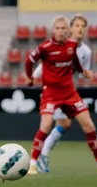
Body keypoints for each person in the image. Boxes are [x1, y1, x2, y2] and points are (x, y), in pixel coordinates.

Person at [19, 16, 97, 176]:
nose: (60, 31)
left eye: (62, 28)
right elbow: (30, 60)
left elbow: (76, 62)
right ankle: (33, 163)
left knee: (89, 126)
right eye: (57, 28)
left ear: (67, 30)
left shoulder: (75, 47)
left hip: (69, 92)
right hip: (51, 93)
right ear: (54, 30)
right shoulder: (45, 47)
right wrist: (31, 78)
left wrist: (84, 72)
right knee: (47, 125)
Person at [31, 14, 93, 174]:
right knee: (61, 124)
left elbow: (79, 72)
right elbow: (42, 68)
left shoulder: (86, 51)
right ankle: (41, 156)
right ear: (70, 29)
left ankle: (42, 155)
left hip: (69, 92)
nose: (79, 29)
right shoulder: (60, 47)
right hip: (53, 92)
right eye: (76, 26)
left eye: (82, 26)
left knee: (66, 124)